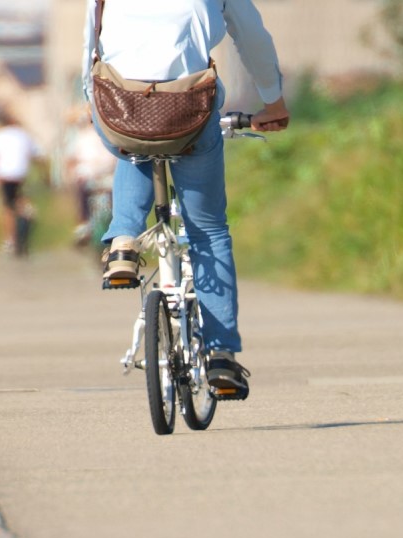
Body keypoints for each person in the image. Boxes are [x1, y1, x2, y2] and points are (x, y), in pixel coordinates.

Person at [82, 0, 290, 399]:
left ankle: (123, 241)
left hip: (118, 103)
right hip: (188, 108)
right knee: (208, 230)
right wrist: (273, 100)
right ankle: (220, 355)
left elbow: (87, 45)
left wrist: (96, 102)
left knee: (133, 141)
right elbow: (252, 38)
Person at [0, 116, 37, 254]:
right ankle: (27, 210)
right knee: (20, 198)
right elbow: (33, 154)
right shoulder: (24, 134)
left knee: (7, 208)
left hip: (4, 174)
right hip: (21, 174)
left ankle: (9, 240)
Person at [64, 118, 116, 247]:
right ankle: (84, 223)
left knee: (114, 194)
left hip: (106, 173)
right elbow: (72, 158)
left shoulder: (108, 134)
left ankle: (116, 223)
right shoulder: (83, 136)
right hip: (89, 173)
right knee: (81, 190)